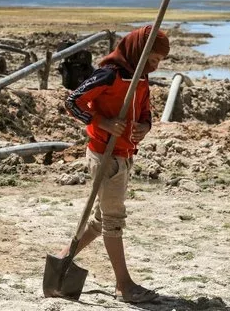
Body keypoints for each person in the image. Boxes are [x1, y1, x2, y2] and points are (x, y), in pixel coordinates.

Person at [61, 25, 170, 304]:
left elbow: (145, 111)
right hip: (105, 155)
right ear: (138, 51)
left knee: (100, 221)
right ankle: (124, 285)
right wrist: (103, 122)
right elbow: (74, 101)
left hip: (123, 155)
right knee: (113, 221)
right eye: (153, 60)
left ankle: (63, 259)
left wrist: (144, 126)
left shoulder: (141, 78)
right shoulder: (110, 74)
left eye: (159, 62)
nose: (155, 67)